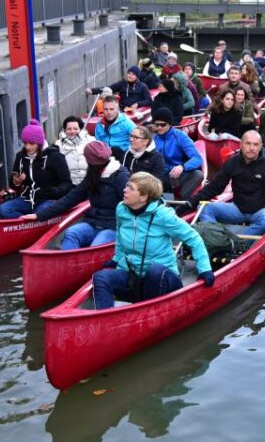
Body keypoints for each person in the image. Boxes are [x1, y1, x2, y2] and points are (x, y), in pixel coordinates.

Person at [92, 172, 215, 310]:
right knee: (100, 277)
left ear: (144, 197)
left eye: (131, 188)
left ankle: (148, 313)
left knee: (154, 270)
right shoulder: (121, 208)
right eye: (127, 185)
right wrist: (117, 258)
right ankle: (106, 319)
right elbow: (120, 236)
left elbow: (194, 238)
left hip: (162, 279)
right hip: (133, 275)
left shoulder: (163, 215)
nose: (124, 190)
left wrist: (205, 269)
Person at [176, 130, 265, 236]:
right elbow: (214, 188)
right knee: (204, 209)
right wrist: (189, 203)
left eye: (255, 145)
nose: (252, 148)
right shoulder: (232, 162)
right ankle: (218, 238)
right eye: (248, 144)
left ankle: (238, 241)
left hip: (262, 210)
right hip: (238, 208)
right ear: (241, 145)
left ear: (261, 146)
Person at [20, 141, 128, 250]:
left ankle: (84, 262)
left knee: (95, 247)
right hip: (92, 223)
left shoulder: (120, 177)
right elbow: (71, 198)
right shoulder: (93, 174)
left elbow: (132, 206)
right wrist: (39, 215)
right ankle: (67, 262)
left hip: (113, 227)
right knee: (71, 233)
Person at [0, 120, 72, 219]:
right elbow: (14, 185)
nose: (27, 147)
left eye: (32, 143)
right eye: (25, 143)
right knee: (3, 209)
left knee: (41, 212)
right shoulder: (20, 157)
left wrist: (53, 191)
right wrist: (16, 182)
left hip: (48, 199)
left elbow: (67, 183)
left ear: (39, 143)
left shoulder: (56, 157)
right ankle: (24, 223)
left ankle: (28, 221)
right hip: (27, 199)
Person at [151, 107, 204, 197]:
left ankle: (180, 200)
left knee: (198, 174)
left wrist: (182, 167)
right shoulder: (152, 137)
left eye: (163, 125)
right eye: (157, 124)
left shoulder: (180, 136)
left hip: (176, 174)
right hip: (158, 175)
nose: (159, 127)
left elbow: (197, 158)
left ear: (170, 124)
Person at [55, 115, 95, 185]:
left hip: (88, 182)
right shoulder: (58, 144)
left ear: (81, 129)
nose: (72, 131)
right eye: (69, 129)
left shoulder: (91, 141)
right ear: (65, 130)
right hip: (68, 183)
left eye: (75, 128)